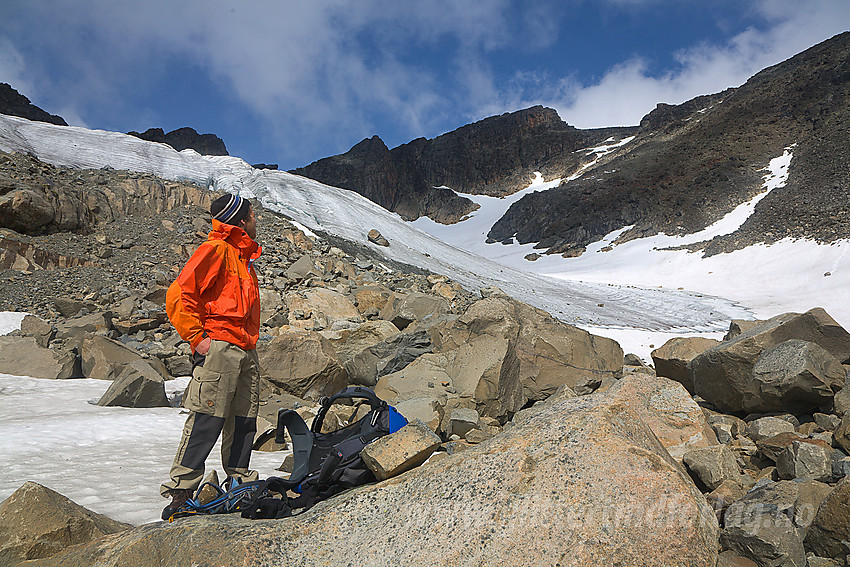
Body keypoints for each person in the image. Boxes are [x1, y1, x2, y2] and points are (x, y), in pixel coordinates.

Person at [160, 193, 262, 521]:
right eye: (253, 215)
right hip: (219, 348)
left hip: (245, 349)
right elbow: (178, 294)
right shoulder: (216, 250)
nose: (257, 219)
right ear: (241, 220)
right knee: (208, 418)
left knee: (244, 420)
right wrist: (197, 338)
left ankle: (239, 481)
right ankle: (181, 492)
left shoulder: (241, 257)